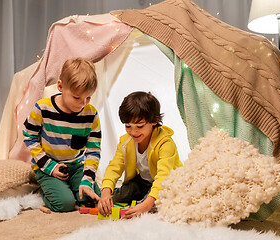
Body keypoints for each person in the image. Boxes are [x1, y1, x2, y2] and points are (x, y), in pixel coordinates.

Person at [23, 58, 101, 212]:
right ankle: (45, 193)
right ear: (60, 86)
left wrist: (87, 179)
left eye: (88, 98)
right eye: (77, 97)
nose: (82, 103)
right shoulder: (43, 108)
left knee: (92, 199)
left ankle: (71, 188)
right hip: (48, 166)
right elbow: (29, 136)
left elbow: (93, 150)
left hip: (77, 166)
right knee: (65, 204)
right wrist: (50, 167)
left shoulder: (91, 113)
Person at [98, 91, 183, 219]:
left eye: (139, 126)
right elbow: (115, 166)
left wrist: (147, 204)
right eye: (128, 126)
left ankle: (146, 201)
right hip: (142, 182)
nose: (133, 132)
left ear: (154, 121)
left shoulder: (165, 143)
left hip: (167, 183)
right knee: (116, 198)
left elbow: (163, 177)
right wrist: (105, 191)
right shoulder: (125, 141)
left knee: (151, 205)